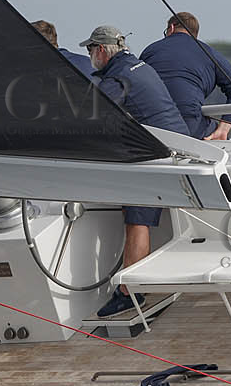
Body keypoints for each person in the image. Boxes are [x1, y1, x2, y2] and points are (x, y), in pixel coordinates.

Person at [80, 25, 189, 318]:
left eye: (89, 50)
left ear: (101, 50)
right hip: (181, 145)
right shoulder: (138, 65)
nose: (89, 55)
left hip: (160, 155)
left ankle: (131, 292)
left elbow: (93, 116)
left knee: (136, 218)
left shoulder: (116, 77)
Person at [139, 11, 231, 141]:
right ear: (195, 34)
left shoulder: (150, 50)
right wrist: (223, 128)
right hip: (190, 125)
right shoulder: (210, 54)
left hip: (150, 126)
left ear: (171, 28)